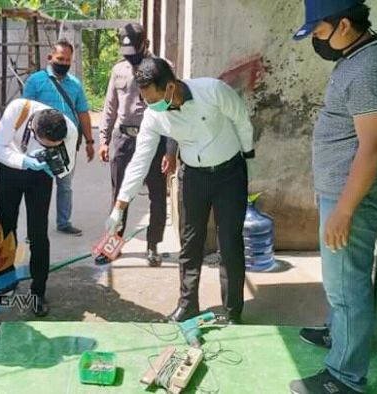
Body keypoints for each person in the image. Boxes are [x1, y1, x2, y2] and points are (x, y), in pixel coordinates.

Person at [289, 1, 377, 393]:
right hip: (341, 194)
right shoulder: (356, 57)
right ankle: (340, 335)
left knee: (347, 284)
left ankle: (344, 377)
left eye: (319, 33)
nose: (317, 42)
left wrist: (344, 209)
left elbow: (371, 149)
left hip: (351, 199)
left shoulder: (371, 69)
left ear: (343, 25)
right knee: (339, 280)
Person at [104, 57, 255, 324]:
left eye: (153, 98)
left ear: (171, 87)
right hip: (193, 178)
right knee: (189, 244)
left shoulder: (213, 90)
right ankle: (188, 306)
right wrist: (120, 205)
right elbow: (141, 160)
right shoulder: (154, 116)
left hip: (229, 174)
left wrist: (248, 159)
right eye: (145, 99)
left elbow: (241, 119)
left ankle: (233, 312)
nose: (150, 105)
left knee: (230, 244)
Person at [97, 23, 178, 266]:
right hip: (123, 140)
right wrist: (104, 139)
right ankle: (113, 245)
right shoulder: (119, 70)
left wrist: (171, 150)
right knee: (119, 195)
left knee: (156, 197)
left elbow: (174, 109)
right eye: (126, 52)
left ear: (146, 44)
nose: (130, 56)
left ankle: (153, 246)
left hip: (155, 141)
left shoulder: (163, 68)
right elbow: (110, 106)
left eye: (135, 50)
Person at [0, 99, 78, 317]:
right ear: (32, 128)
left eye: (52, 146)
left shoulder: (69, 129)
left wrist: (55, 169)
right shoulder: (19, 110)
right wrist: (23, 160)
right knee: (6, 226)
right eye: (44, 143)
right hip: (9, 168)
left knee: (38, 232)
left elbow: (68, 167)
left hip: (40, 176)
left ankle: (38, 291)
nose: (47, 148)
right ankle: (6, 280)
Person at [22, 38, 95, 236]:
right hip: (40, 142)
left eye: (67, 60)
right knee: (38, 187)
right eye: (60, 58)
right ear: (50, 57)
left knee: (65, 185)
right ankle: (35, 229)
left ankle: (64, 222)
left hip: (67, 143)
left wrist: (89, 141)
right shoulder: (35, 81)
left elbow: (82, 113)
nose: (63, 63)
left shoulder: (75, 84)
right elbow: (24, 110)